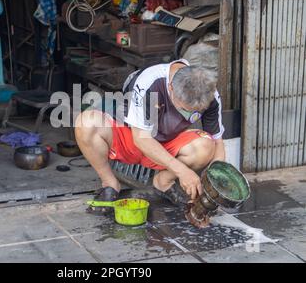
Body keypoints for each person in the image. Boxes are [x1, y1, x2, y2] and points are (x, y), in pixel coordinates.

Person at [75, 59, 225, 214]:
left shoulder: (210, 93)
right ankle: (110, 183)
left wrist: (216, 182)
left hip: (168, 143)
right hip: (132, 137)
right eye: (184, 109)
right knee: (86, 122)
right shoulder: (149, 82)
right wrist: (182, 171)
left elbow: (218, 141)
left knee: (206, 145)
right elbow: (141, 139)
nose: (188, 114)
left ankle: (163, 182)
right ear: (170, 88)